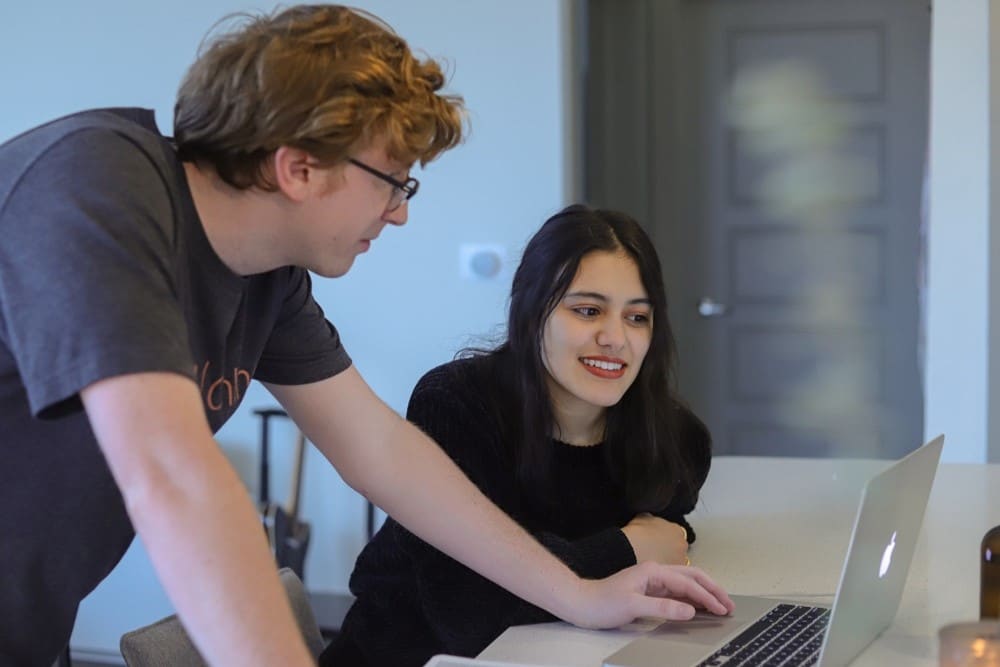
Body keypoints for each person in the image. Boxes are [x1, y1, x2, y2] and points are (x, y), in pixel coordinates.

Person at [0, 7, 733, 666]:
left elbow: (382, 452)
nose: (399, 211)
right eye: (393, 179)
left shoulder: (268, 278)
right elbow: (174, 476)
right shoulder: (93, 187)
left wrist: (580, 592)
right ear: (298, 167)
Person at [324, 204, 717, 666]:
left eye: (637, 318)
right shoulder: (455, 404)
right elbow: (469, 616)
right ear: (532, 313)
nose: (615, 338)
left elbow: (668, 539)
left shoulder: (675, 438)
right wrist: (624, 549)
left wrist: (634, 555)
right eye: (588, 310)